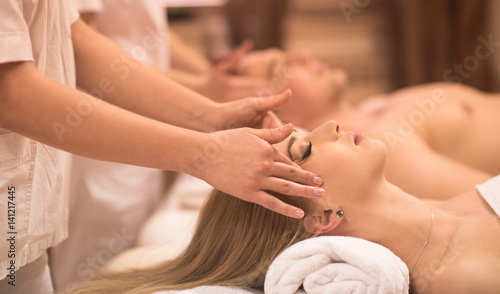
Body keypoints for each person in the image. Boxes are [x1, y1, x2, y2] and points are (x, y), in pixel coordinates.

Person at [0, 0, 323, 292]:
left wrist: (209, 115)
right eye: (305, 148)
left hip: (24, 221)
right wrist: (203, 153)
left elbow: (71, 37)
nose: (335, 127)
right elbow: (9, 93)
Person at [66, 121, 500, 294]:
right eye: (306, 149)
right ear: (322, 218)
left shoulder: (450, 209)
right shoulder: (463, 273)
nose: (330, 124)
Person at [49, 0, 268, 289]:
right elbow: (80, 52)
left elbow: (151, 34)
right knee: (87, 274)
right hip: (98, 126)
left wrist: (208, 88)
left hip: (129, 121)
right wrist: (203, 102)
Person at [231, 48, 500, 199]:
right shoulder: (382, 148)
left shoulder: (374, 107)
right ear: (269, 113)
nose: (302, 54)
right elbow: (492, 200)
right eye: (282, 68)